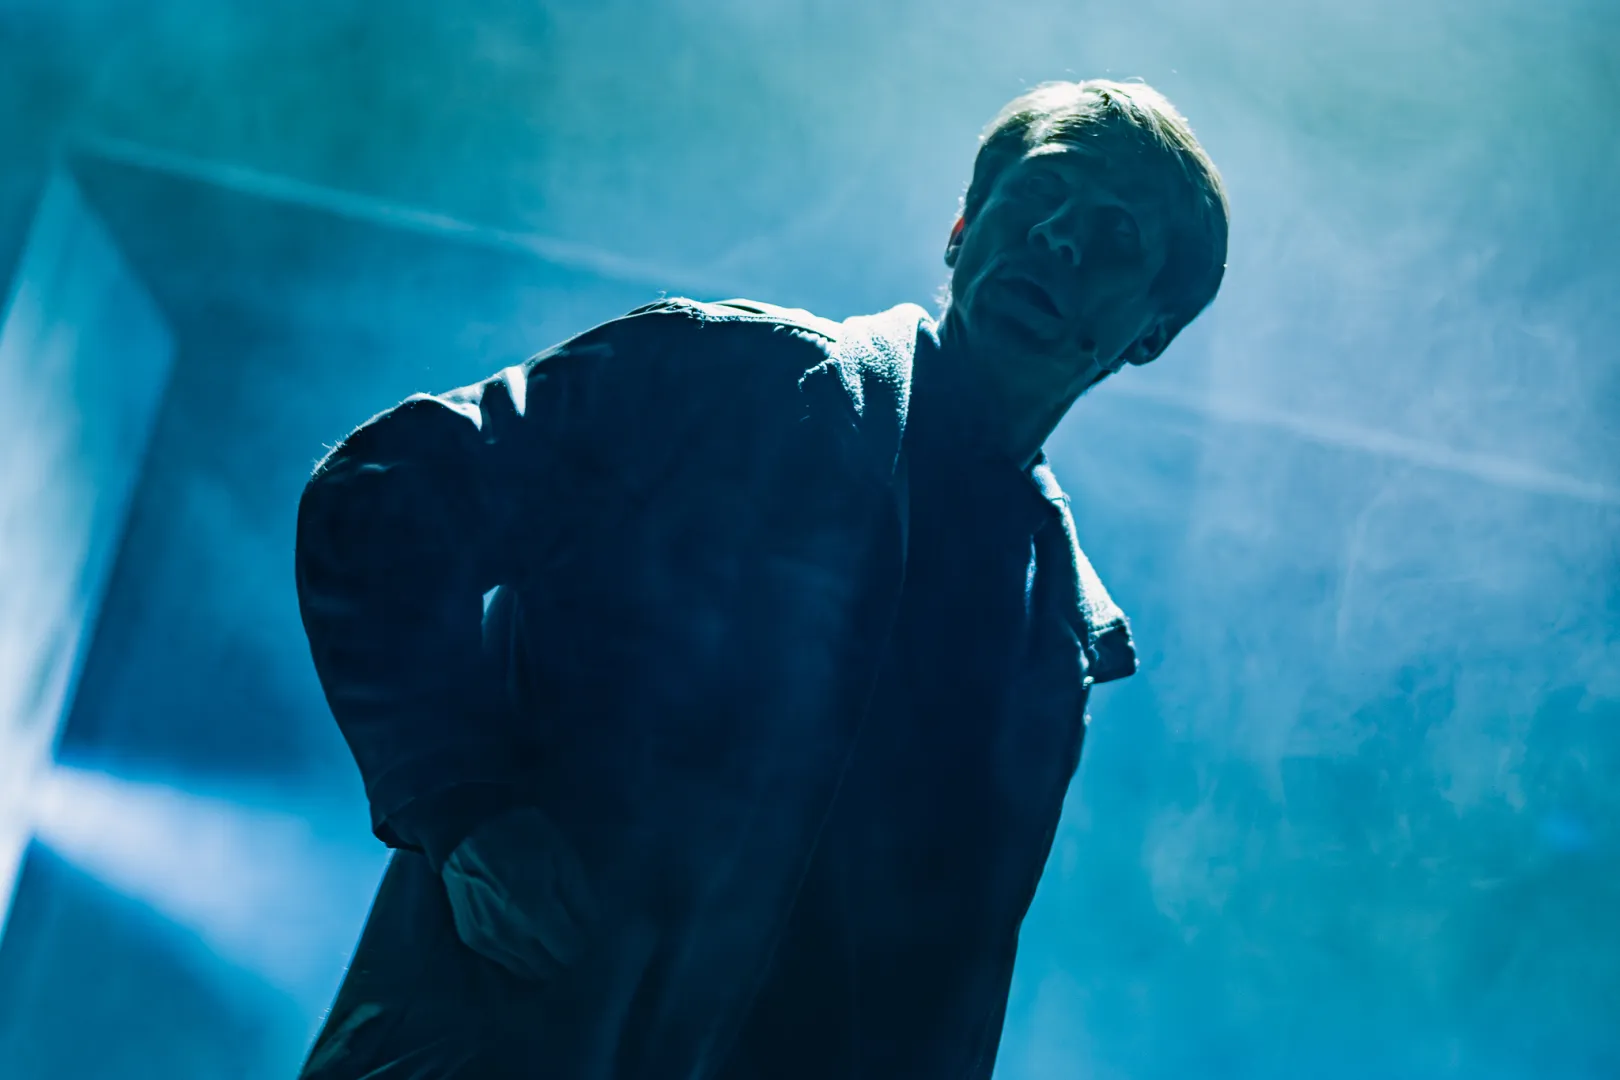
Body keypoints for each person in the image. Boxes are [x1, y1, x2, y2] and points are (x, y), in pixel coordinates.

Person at [293, 78, 1228, 1079]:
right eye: (1040, 192)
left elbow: (938, 1000)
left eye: (1117, 234)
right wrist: (461, 802)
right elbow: (381, 496)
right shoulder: (737, 378)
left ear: (1151, 333)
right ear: (963, 228)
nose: (1060, 238)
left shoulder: (1056, 644)